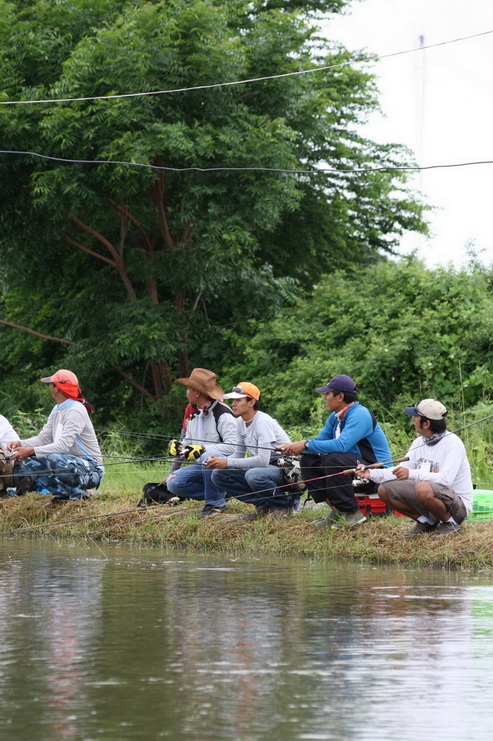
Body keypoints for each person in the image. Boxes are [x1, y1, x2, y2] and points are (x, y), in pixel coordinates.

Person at [278, 374, 392, 529]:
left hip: (375, 472)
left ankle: (353, 513)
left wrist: (305, 444)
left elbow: (342, 445)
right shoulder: (335, 417)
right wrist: (294, 447)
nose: (324, 398)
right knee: (308, 459)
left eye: (327, 394)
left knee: (333, 459)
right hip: (354, 468)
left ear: (340, 396)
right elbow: (319, 441)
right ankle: (337, 510)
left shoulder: (360, 414)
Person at [355, 399, 473, 538]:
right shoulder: (419, 442)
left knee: (422, 487)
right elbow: (399, 470)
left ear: (426, 423)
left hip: (458, 505)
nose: (413, 419)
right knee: (384, 489)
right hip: (429, 496)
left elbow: (445, 480)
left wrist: (412, 473)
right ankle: (426, 522)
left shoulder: (453, 443)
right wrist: (370, 473)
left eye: (416, 416)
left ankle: (450, 523)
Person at [6, 369, 104, 506]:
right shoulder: (57, 409)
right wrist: (20, 444)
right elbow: (43, 438)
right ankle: (62, 495)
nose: (49, 387)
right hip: (69, 463)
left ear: (57, 388)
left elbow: (63, 445)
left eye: (51, 384)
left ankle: (79, 495)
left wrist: (32, 450)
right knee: (30, 459)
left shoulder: (76, 410)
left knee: (50, 457)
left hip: (92, 469)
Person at [206, 383, 293, 519]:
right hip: (266, 468)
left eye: (238, 400)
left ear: (251, 402)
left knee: (254, 475)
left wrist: (227, 462)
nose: (233, 404)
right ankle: (264, 505)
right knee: (218, 474)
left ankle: (283, 506)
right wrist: (219, 461)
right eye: (233, 400)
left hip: (284, 469)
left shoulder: (262, 422)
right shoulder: (240, 422)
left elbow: (262, 460)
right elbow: (239, 454)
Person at [166, 368, 236, 518]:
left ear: (196, 393)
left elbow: (234, 447)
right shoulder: (194, 414)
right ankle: (223, 493)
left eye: (188, 389)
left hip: (228, 469)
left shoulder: (223, 413)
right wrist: (177, 446)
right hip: (203, 468)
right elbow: (188, 442)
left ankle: (215, 504)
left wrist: (203, 448)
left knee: (208, 455)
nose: (186, 393)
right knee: (174, 482)